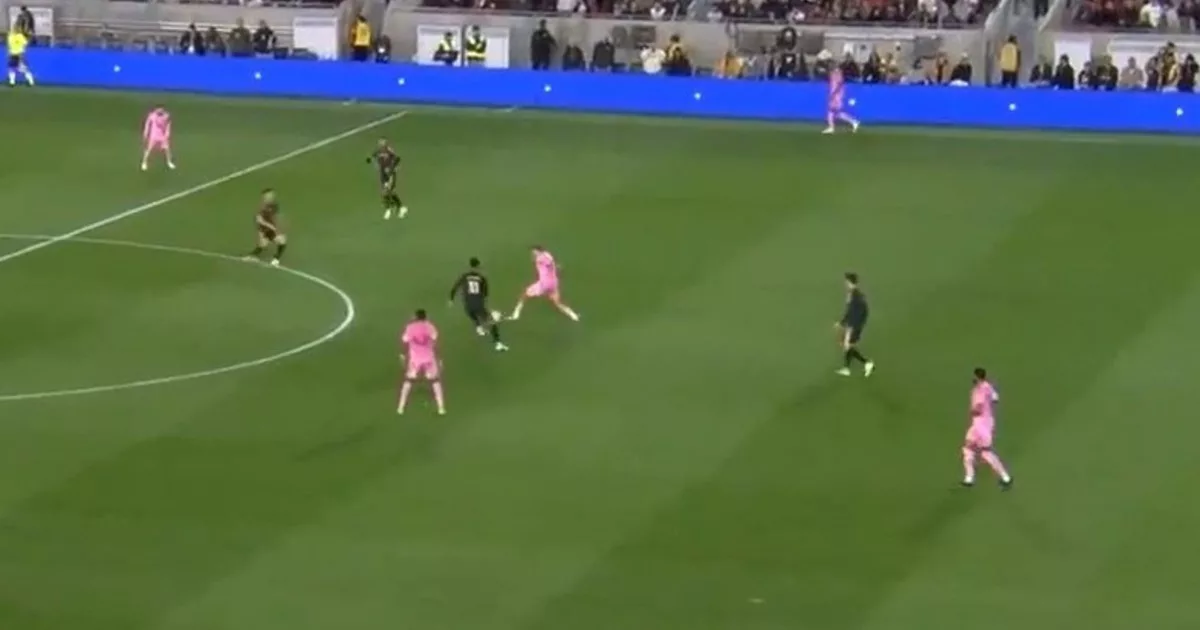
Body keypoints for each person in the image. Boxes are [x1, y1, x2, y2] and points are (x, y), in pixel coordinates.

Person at [962, 368, 1013, 489]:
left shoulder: (980, 389)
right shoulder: (988, 386)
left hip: (981, 425)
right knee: (968, 448)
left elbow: (978, 407)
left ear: (977, 377)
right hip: (984, 423)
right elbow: (995, 398)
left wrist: (973, 411)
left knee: (985, 453)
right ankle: (969, 477)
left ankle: (1005, 476)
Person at [449, 257, 508, 352]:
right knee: (492, 322)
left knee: (472, 314)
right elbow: (485, 293)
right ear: (478, 266)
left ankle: (479, 327)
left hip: (468, 305)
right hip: (478, 305)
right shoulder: (482, 278)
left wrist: (451, 299)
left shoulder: (464, 276)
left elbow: (455, 287)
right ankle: (498, 343)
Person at [509, 245, 580, 322]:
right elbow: (551, 263)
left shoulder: (540, 258)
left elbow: (545, 262)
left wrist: (541, 261)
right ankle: (573, 315)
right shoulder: (548, 255)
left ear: (539, 251)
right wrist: (556, 267)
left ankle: (516, 314)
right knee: (558, 303)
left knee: (525, 294)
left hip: (544, 284)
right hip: (554, 283)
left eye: (534, 252)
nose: (533, 254)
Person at [397, 309, 445, 415]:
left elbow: (404, 341)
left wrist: (402, 354)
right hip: (429, 357)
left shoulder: (410, 328)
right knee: (435, 381)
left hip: (415, 359)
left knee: (408, 381)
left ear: (415, 317)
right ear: (425, 317)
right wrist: (439, 357)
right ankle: (441, 407)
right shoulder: (430, 327)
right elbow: (436, 342)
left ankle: (401, 407)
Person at [835, 272, 874, 377]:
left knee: (847, 345)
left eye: (846, 281)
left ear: (849, 282)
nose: (844, 283)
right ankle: (847, 368)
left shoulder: (854, 296)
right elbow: (858, 311)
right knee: (845, 344)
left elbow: (854, 312)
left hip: (854, 326)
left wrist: (850, 327)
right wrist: (842, 322)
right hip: (855, 324)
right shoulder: (856, 294)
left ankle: (866, 363)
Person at [245, 189, 287, 267]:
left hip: (271, 227)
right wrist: (269, 227)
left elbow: (275, 215)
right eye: (269, 195)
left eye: (272, 195)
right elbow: (259, 220)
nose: (271, 196)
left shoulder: (274, 205)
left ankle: (275, 259)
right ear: (264, 197)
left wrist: (278, 223)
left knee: (280, 241)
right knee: (268, 243)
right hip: (265, 229)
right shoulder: (262, 207)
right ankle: (252, 256)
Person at [367, 138, 406, 219]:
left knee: (388, 191)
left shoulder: (389, 151)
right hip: (383, 175)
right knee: (386, 192)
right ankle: (398, 207)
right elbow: (372, 156)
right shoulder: (378, 151)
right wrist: (369, 159)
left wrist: (392, 168)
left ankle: (391, 208)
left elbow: (397, 159)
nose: (381, 146)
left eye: (383, 144)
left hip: (390, 174)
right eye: (380, 144)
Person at [821, 52, 859, 134]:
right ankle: (852, 122)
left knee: (833, 111)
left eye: (830, 65)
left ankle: (832, 127)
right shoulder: (832, 73)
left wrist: (834, 93)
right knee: (835, 112)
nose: (829, 66)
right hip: (835, 94)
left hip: (837, 95)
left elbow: (839, 83)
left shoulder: (837, 73)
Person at [141, 106, 175, 171]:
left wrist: (167, 132)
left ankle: (169, 162)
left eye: (161, 109)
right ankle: (144, 163)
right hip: (153, 136)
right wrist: (146, 132)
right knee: (149, 149)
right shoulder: (152, 116)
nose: (159, 110)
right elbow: (147, 124)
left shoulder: (166, 116)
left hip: (162, 136)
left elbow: (168, 124)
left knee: (167, 149)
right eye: (158, 109)